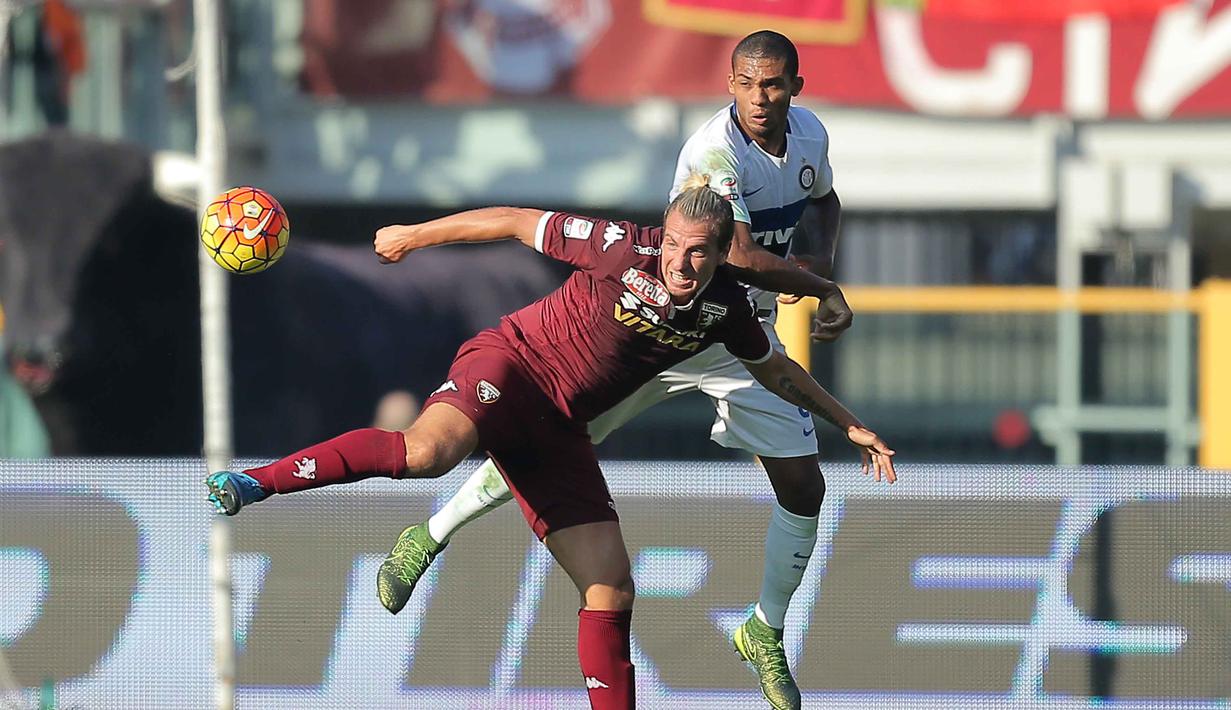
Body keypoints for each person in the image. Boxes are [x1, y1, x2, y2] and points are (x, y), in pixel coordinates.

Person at [205, 179, 896, 710]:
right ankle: (255, 483)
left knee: (612, 588)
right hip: (511, 366)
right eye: (676, 244)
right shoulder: (621, 246)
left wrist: (849, 424)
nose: (681, 262)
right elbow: (510, 221)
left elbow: (774, 370)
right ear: (664, 232)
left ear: (723, 255)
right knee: (426, 455)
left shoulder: (727, 309)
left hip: (560, 428)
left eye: (699, 252)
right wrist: (414, 235)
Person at [380, 30, 849, 710]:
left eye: (771, 84)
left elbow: (825, 200)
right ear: (728, 84)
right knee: (546, 438)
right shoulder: (711, 153)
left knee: (804, 488)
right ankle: (427, 535)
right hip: (659, 324)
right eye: (745, 83)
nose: (757, 96)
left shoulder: (808, 137)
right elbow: (739, 255)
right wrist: (822, 289)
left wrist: (822, 264)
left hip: (740, 336)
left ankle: (762, 630)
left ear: (793, 88)